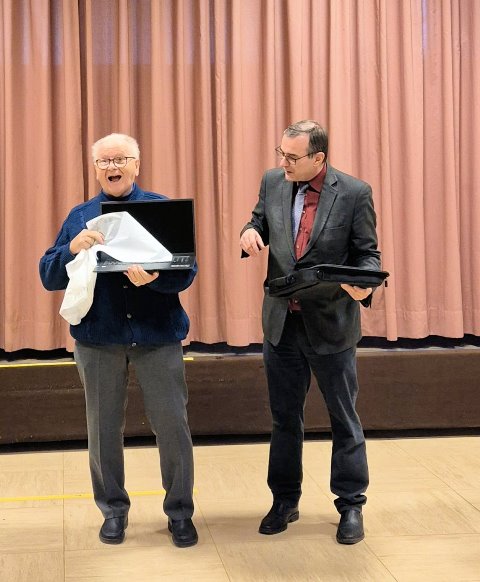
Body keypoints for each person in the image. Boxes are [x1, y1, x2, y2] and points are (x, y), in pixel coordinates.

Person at [39, 133, 198, 548]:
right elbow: (48, 275)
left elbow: (186, 271)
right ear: (95, 169)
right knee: (103, 429)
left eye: (121, 159)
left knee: (172, 426)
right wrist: (71, 248)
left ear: (136, 165)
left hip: (158, 335)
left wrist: (156, 279)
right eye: (104, 161)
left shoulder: (162, 209)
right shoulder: (80, 216)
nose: (112, 167)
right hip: (98, 339)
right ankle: (113, 510)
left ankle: (180, 512)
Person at [240, 120, 381, 544]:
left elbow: (368, 256)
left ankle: (351, 504)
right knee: (284, 418)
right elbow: (258, 221)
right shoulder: (273, 181)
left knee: (344, 418)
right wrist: (250, 232)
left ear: (318, 158)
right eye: (280, 154)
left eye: (292, 157)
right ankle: (284, 500)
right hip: (282, 324)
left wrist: (364, 285)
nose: (283, 162)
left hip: (331, 324)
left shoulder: (354, 193)